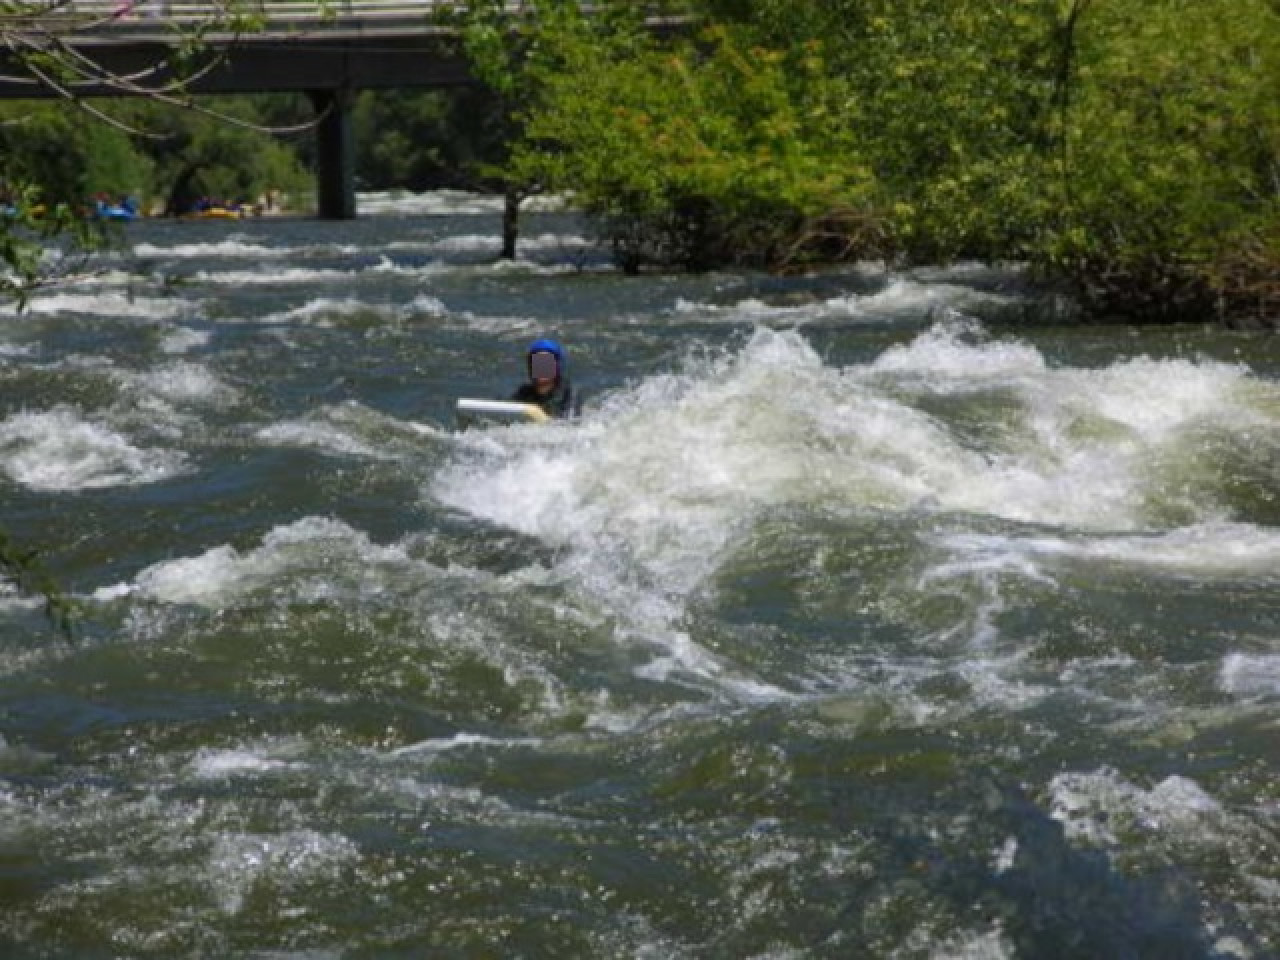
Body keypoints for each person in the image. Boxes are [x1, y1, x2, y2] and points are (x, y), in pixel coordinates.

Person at [510, 337, 577, 417]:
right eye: (537, 362)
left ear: (557, 366)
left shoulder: (569, 394)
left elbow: (569, 424)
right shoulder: (523, 393)